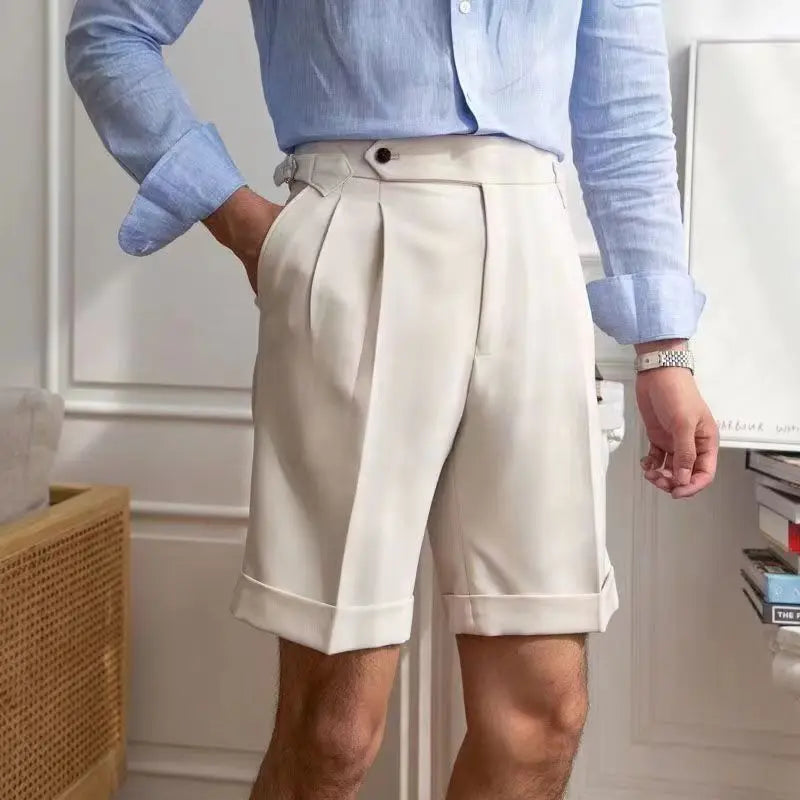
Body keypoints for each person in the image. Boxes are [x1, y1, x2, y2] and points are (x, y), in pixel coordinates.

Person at [65, 1, 719, 797]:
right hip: (355, 233)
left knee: (542, 719)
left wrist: (663, 345)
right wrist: (246, 226)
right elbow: (111, 33)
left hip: (535, 256)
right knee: (333, 732)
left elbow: (625, 112)